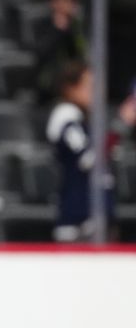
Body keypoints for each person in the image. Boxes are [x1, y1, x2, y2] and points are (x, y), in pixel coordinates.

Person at [46, 61, 136, 242]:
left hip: (96, 217)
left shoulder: (85, 121)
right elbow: (88, 159)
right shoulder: (65, 117)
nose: (96, 92)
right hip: (78, 220)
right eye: (89, 86)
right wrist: (121, 124)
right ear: (70, 88)